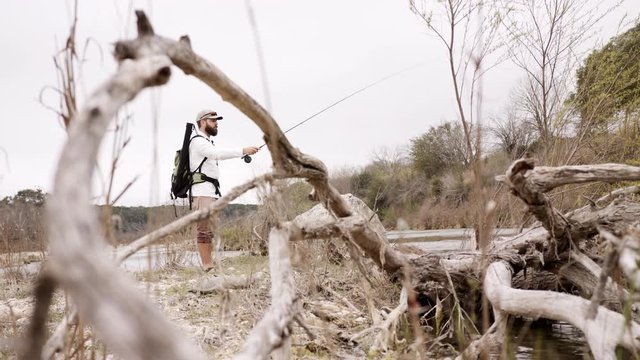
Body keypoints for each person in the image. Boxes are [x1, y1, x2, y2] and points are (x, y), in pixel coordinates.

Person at [190, 109, 259, 271]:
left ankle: (210, 265)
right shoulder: (197, 141)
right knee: (203, 230)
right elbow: (216, 154)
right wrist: (242, 150)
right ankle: (207, 266)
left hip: (210, 191)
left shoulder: (205, 141)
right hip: (202, 192)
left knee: (210, 229)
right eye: (213, 120)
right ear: (202, 122)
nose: (216, 123)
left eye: (216, 120)